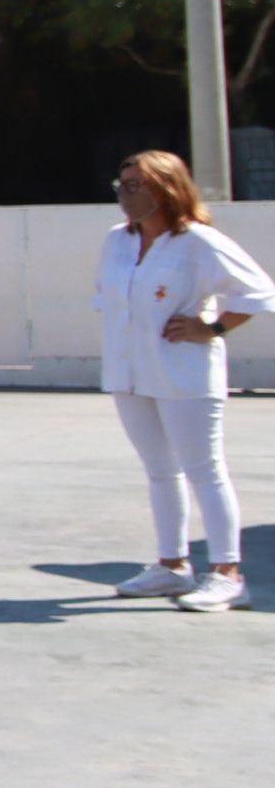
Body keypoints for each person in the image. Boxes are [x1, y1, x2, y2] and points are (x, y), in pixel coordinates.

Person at [96, 151, 269, 612]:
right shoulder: (117, 241)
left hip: (185, 372)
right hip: (130, 372)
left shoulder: (198, 242)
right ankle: (171, 567)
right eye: (122, 185)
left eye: (136, 186)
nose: (125, 196)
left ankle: (227, 574)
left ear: (166, 190)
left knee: (204, 470)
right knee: (159, 471)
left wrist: (210, 328)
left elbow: (259, 292)